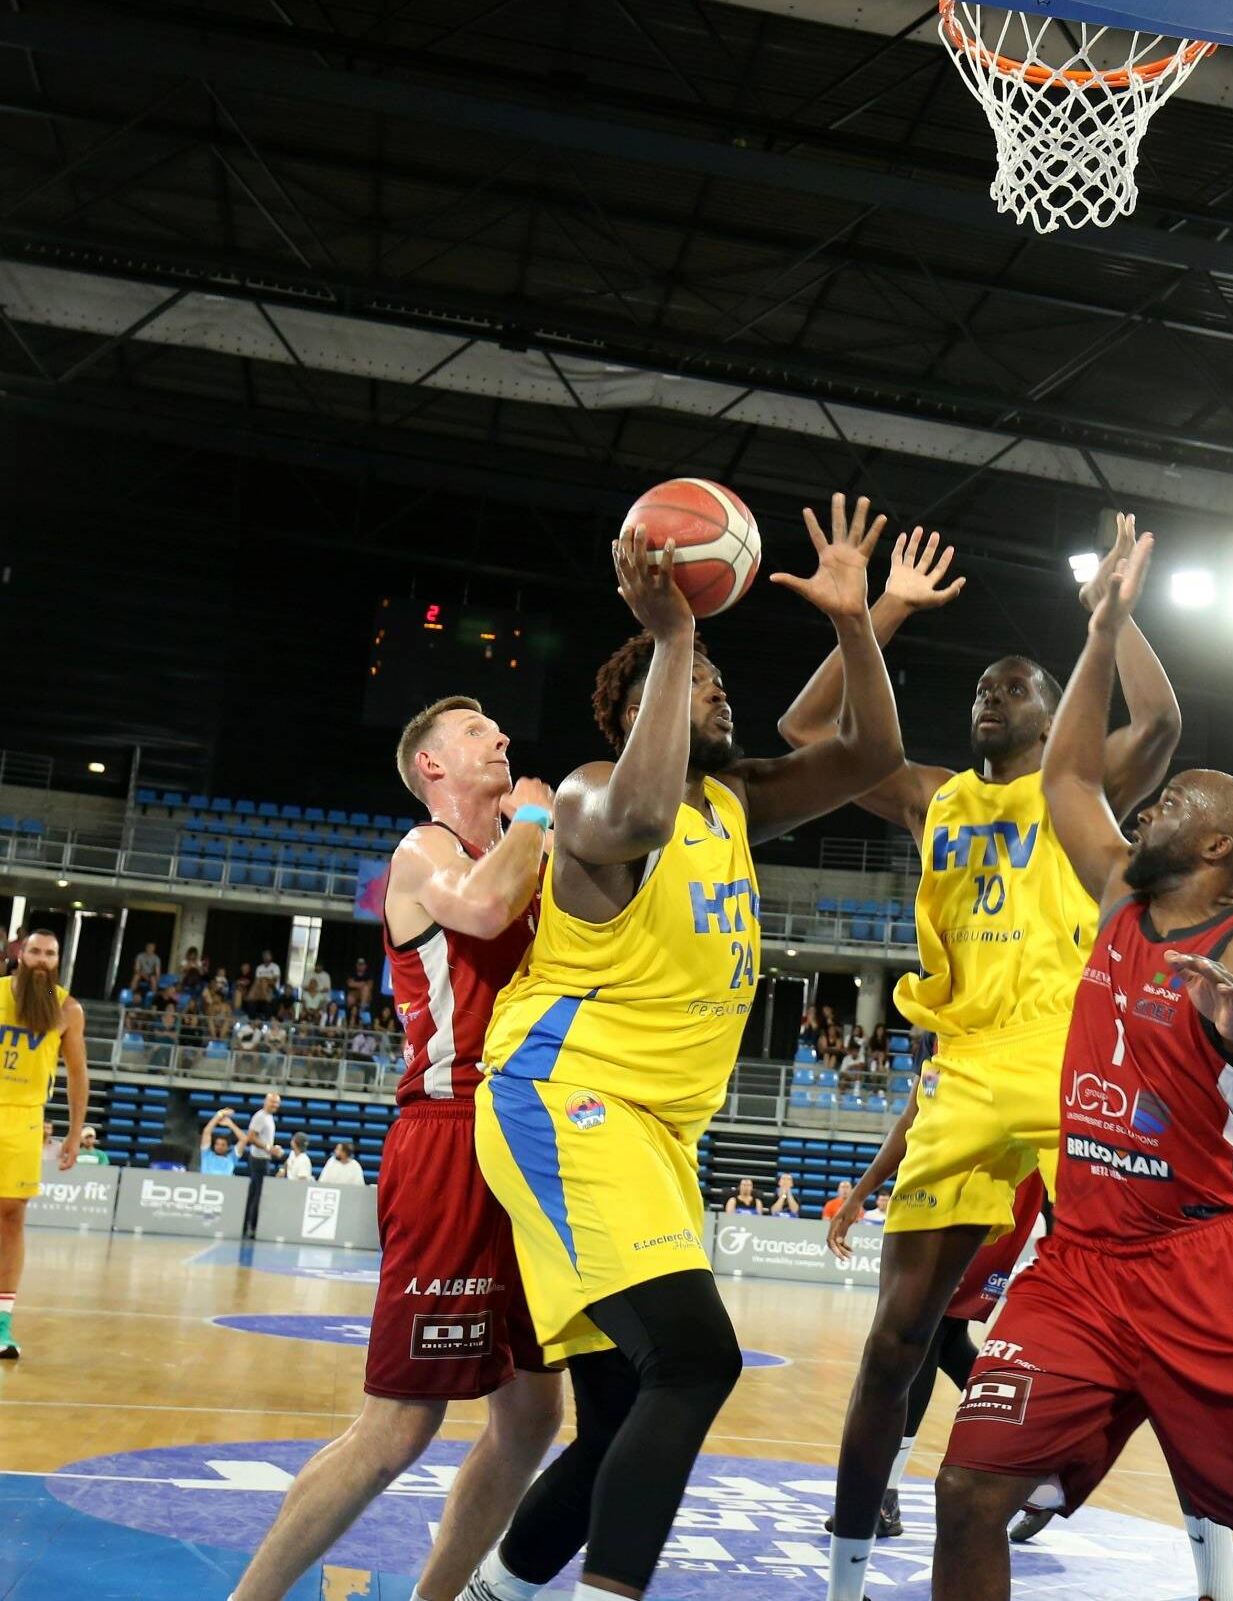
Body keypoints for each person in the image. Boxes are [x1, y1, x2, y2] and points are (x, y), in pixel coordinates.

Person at [929, 533, 1233, 1601]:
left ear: (1216, 850)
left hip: (1209, 1276)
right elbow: (1064, 770)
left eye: (1169, 808)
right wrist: (1104, 627)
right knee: (969, 1491)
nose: (1143, 812)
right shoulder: (1117, 890)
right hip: (1080, 1267)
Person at [471, 496, 905, 1601]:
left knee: (616, 1422)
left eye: (717, 681)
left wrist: (863, 621)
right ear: (637, 708)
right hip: (566, 1097)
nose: (723, 694)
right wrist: (671, 639)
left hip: (657, 1133)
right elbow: (643, 816)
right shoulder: (585, 796)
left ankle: (495, 1593)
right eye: (701, 684)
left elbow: (872, 750)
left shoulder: (737, 801)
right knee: (699, 1358)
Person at [778, 518, 1183, 1601]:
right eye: (983, 688)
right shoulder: (929, 795)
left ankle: (1213, 1564)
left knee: (1159, 1318)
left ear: (1057, 713)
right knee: (893, 1341)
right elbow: (808, 724)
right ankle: (845, 1577)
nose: (990, 695)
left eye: (1015, 686)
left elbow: (1162, 717)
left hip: (1067, 1060)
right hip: (961, 1068)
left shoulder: (1078, 787)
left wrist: (1116, 618)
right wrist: (879, 612)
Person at [227, 694, 561, 1601]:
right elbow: (487, 912)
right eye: (473, 729)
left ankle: (437, 1597)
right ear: (433, 768)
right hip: (451, 1138)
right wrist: (534, 811)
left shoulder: (533, 856)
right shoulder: (427, 852)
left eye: (498, 724)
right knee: (399, 1426)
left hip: (530, 1146)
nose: (499, 732)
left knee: (533, 1416)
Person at [821, 1085, 1046, 1544]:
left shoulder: (1028, 1024)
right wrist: (859, 1195)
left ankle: (886, 1492)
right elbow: (910, 1119)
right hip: (942, 1185)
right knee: (941, 1340)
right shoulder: (940, 1036)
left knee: (921, 1334)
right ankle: (1041, 1461)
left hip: (995, 1190)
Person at [0, 929, 88, 1359]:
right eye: (34, 951)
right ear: (20, 954)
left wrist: (75, 1132)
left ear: (57, 961)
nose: (40, 960)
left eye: (49, 954)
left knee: (11, 1217)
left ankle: (1, 1327)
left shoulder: (68, 1009)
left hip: (24, 1118)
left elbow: (77, 1074)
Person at [239, 1091, 283, 1236]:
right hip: (259, 1160)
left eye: (277, 1102)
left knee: (255, 1194)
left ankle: (247, 1225)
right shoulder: (260, 1117)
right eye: (272, 1102)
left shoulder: (268, 1118)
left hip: (264, 1158)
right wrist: (270, 1148)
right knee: (258, 1195)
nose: (275, 1105)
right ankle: (251, 1227)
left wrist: (271, 1149)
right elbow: (251, 1138)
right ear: (265, 1101)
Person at [199, 1108, 241, 1175]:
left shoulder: (232, 1158)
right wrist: (219, 1114)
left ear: (227, 1147)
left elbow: (243, 1139)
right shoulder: (206, 1154)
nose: (219, 1147)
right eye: (217, 1144)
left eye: (223, 1145)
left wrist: (230, 1124)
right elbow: (206, 1132)